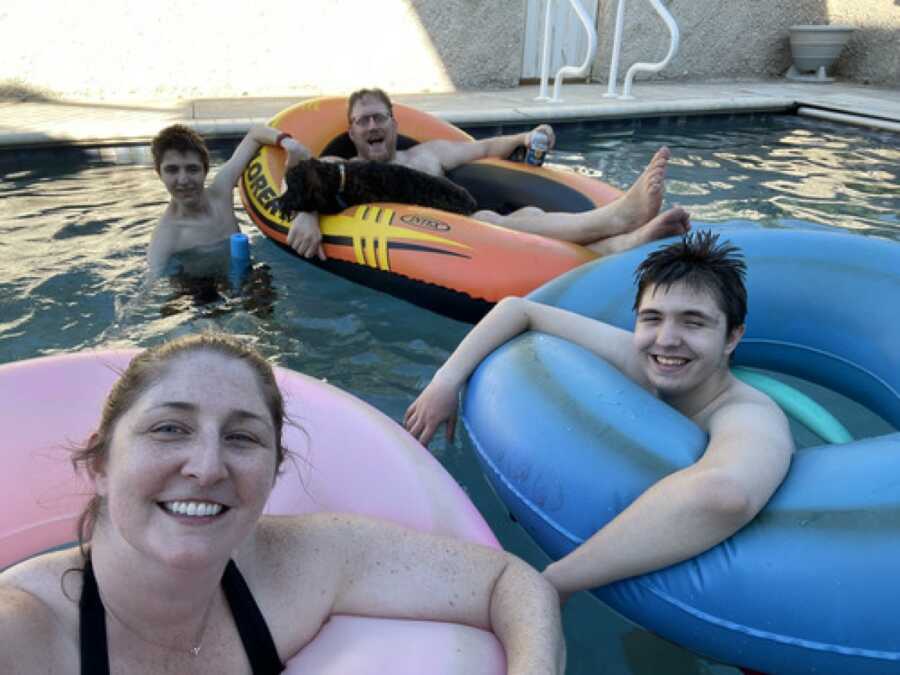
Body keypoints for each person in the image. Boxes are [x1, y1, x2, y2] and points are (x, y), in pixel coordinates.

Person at [0, 334, 564, 674]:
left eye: (242, 438)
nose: (207, 466)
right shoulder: (25, 631)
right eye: (170, 429)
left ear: (273, 474)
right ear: (99, 466)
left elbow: (509, 583)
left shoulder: (300, 563)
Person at [404, 231, 794, 603]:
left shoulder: (747, 413)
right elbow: (519, 310)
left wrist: (558, 581)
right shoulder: (639, 360)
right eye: (652, 318)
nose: (667, 339)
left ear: (732, 337)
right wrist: (446, 381)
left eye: (693, 323)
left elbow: (726, 494)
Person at [286, 87, 691, 261]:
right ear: (351, 131)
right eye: (362, 121)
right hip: (441, 235)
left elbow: (485, 147)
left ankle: (620, 244)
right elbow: (304, 180)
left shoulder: (429, 153)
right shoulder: (344, 168)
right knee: (489, 221)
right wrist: (306, 211)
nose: (372, 126)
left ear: (393, 123)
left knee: (529, 214)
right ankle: (618, 219)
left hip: (467, 224)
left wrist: (532, 134)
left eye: (379, 117)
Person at [147, 124, 308, 279]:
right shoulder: (166, 237)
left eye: (192, 169)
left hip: (244, 274)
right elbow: (150, 286)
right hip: (199, 290)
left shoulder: (221, 191)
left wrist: (288, 143)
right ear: (159, 173)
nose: (183, 180)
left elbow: (255, 134)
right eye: (172, 170)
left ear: (205, 170)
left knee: (262, 282)